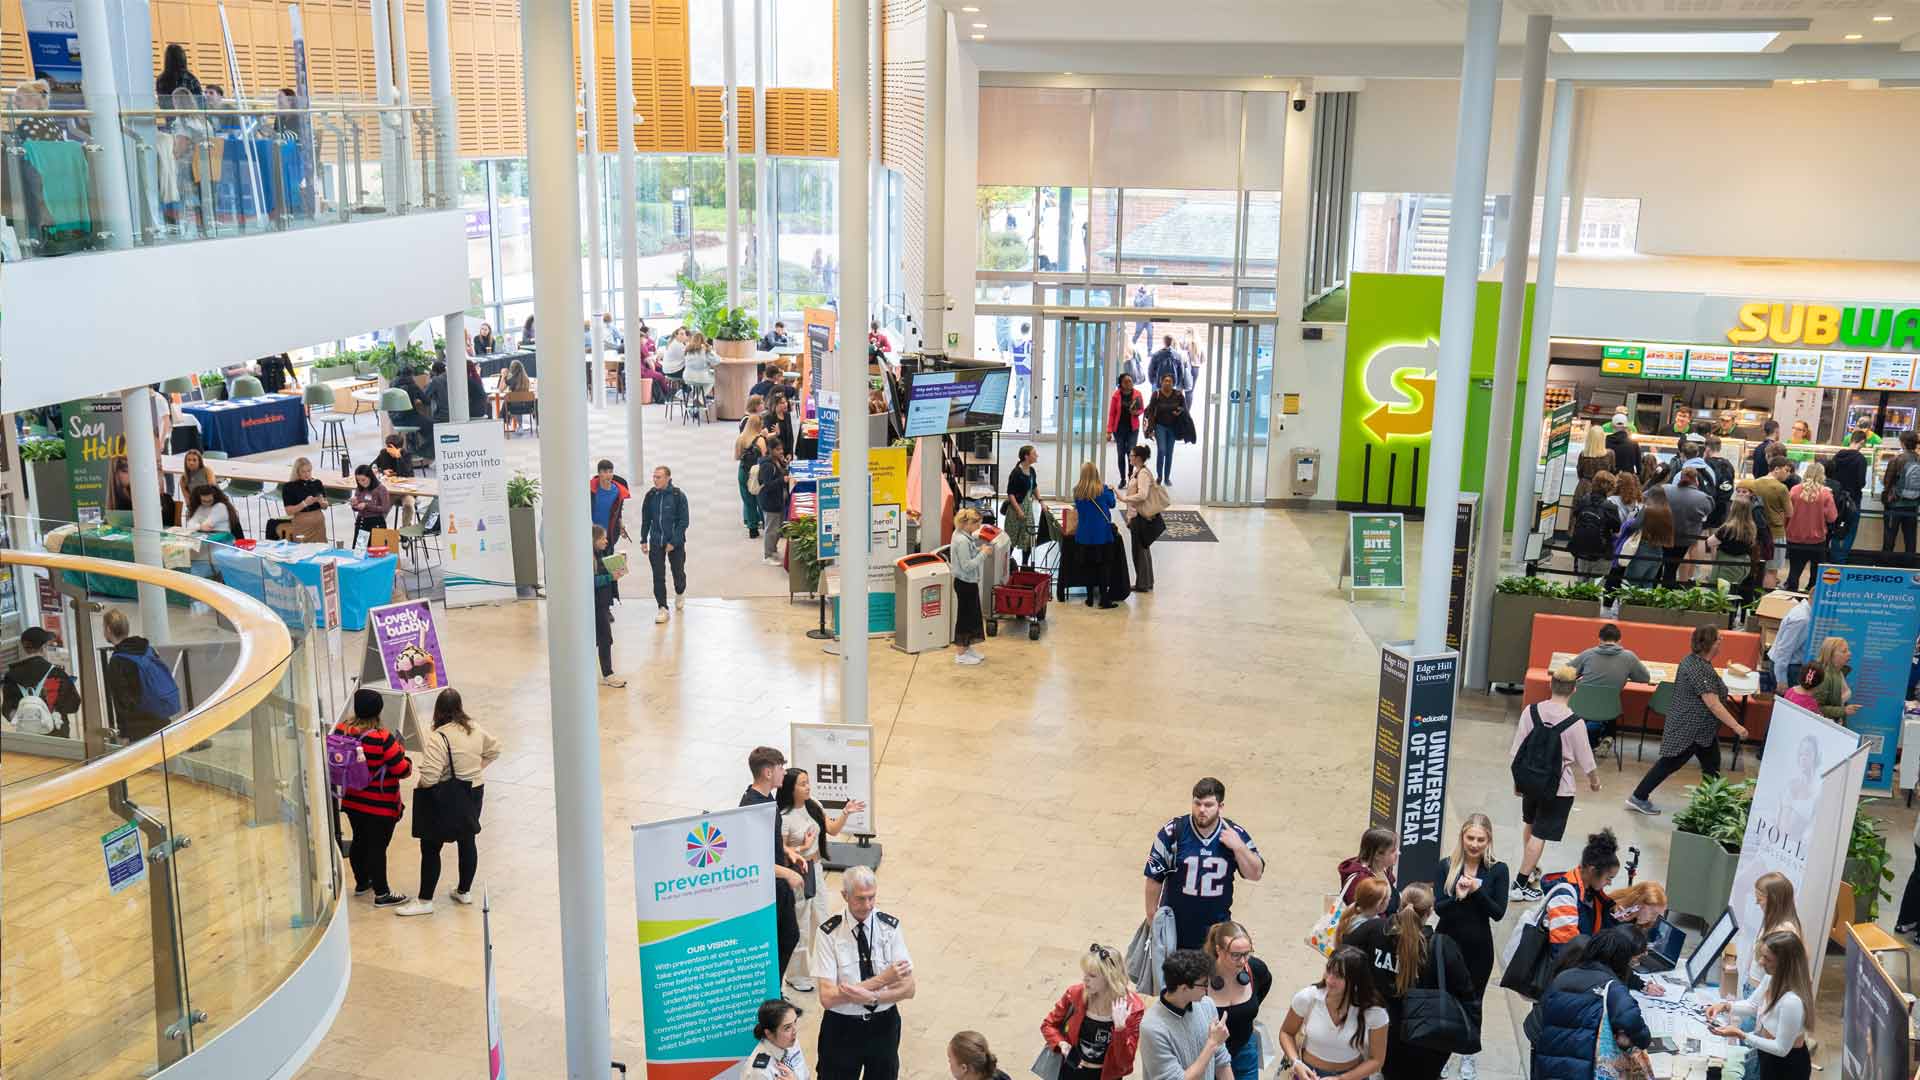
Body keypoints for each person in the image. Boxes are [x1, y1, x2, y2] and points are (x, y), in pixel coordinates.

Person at [1341, 884, 1476, 1080]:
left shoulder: (1375, 930)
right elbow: (1466, 992)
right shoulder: (1440, 947)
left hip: (1383, 1030)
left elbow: (1343, 956)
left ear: (1399, 906)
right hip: (1427, 1037)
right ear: (1429, 912)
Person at [395, 689, 500, 916]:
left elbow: (431, 776)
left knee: (431, 846)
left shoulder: (439, 736)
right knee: (467, 838)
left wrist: (423, 790)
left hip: (446, 795)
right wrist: (476, 769)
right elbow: (494, 749)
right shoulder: (474, 728)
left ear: (438, 710)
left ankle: (425, 901)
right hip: (474, 790)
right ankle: (464, 891)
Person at [1627, 625, 1748, 814]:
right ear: (1710, 645)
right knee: (1669, 764)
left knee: (1712, 765)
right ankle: (1638, 796)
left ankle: (1712, 803)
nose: (1721, 642)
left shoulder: (1691, 661)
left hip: (1701, 731)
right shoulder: (1700, 669)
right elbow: (1713, 703)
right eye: (1718, 639)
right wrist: (1736, 726)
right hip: (1690, 730)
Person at [812, 865, 914, 1080]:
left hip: (883, 1024)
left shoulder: (889, 928)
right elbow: (828, 999)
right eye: (860, 899)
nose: (867, 905)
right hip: (842, 1027)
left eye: (871, 897)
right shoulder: (829, 933)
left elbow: (908, 988)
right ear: (844, 896)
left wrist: (873, 997)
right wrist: (884, 979)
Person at [1509, 667, 1600, 899]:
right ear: (1574, 690)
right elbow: (1587, 761)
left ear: (1551, 685)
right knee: (1540, 833)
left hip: (1530, 780)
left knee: (1530, 823)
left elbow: (1517, 750)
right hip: (1558, 788)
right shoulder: (1575, 723)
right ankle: (1520, 883)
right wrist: (1595, 783)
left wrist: (1518, 782)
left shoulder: (1530, 711)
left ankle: (1529, 869)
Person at [1143, 777, 1265, 950]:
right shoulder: (1173, 832)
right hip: (1174, 930)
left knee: (1214, 977)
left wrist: (1239, 848)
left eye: (1208, 805)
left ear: (1220, 807)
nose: (1201, 810)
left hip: (1216, 934)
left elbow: (1255, 874)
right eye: (1197, 803)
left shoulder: (1234, 833)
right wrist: (1152, 919)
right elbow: (1154, 878)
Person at [778, 767, 866, 994]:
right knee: (802, 927)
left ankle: (826, 966)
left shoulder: (813, 804)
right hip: (798, 872)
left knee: (824, 920)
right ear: (791, 788)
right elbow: (781, 852)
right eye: (803, 784)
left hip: (816, 868)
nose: (808, 787)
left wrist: (846, 812)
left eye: (808, 782)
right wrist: (803, 847)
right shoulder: (784, 818)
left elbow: (833, 830)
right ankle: (796, 975)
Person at [1433, 815, 1508, 1080]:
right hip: (1446, 942)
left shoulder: (1498, 870)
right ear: (1462, 837)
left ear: (1488, 840)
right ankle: (1440, 1054)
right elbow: (1439, 908)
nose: (1474, 844)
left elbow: (1498, 912)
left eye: (1480, 839)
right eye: (1470, 838)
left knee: (1473, 1002)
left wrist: (1477, 891)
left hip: (1478, 948)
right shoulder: (1446, 865)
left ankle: (1468, 1055)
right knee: (1444, 997)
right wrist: (1459, 896)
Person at [1532, 927, 1652, 1080]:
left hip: (1549, 1064)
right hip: (1584, 1069)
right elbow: (1634, 1025)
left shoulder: (1564, 976)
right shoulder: (1612, 987)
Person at [333, 687, 414, 908]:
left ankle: (362, 883)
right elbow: (402, 770)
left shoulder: (342, 730)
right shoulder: (382, 738)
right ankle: (382, 893)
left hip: (352, 801)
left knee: (359, 840)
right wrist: (404, 756)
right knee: (378, 848)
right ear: (378, 711)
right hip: (380, 805)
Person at [739, 747, 809, 985]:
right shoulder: (753, 808)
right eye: (780, 767)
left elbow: (772, 840)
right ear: (768, 772)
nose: (784, 772)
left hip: (778, 883)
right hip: (766, 888)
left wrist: (789, 852)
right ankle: (771, 993)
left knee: (789, 936)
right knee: (780, 939)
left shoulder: (768, 800)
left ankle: (775, 991)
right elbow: (753, 859)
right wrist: (788, 873)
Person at [1707, 931, 1813, 1080]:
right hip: (1765, 1054)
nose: (1761, 962)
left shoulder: (1792, 1001)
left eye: (1767, 958)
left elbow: (1781, 1049)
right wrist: (1725, 1006)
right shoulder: (1771, 978)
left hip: (1785, 1068)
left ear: (1784, 963)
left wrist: (1741, 1034)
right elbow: (1752, 1005)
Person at [1277, 946, 1388, 1080]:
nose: (1329, 979)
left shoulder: (1373, 1012)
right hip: (1308, 1074)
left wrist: (1341, 1079)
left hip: (1352, 1075)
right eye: (1328, 970)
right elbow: (1286, 1032)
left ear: (1356, 980)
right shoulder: (1308, 998)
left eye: (1338, 976)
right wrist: (1296, 1063)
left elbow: (1377, 1060)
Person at [1042, 943, 1146, 1080]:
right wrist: (1061, 1043)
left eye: (1092, 975)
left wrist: (1120, 1030)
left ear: (1110, 978)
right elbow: (1048, 1025)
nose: (1085, 979)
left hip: (1105, 1075)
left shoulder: (1132, 1008)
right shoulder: (1075, 994)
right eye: (1085, 973)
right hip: (1072, 1070)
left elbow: (1124, 1062)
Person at [1137, 949, 1232, 1080]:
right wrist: (1212, 1043)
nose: (1208, 989)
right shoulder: (1152, 1028)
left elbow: (1221, 1059)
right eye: (1204, 984)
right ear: (1184, 988)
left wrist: (1215, 1044)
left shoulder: (1206, 1004)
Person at [1204, 922, 1273, 1080]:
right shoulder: (1200, 977)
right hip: (1209, 1054)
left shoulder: (1255, 968)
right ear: (1218, 950)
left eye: (1247, 953)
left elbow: (1264, 985)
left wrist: (1247, 1011)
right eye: (1235, 955)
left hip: (1245, 1051)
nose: (1242, 961)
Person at [1540, 830, 1625, 954]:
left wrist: (1615, 919)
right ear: (1592, 870)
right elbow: (1564, 951)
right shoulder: (1564, 898)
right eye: (1609, 878)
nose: (1609, 883)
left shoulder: (1591, 891)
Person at [1570, 623, 1651, 750]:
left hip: (1581, 705)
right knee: (1608, 699)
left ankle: (1599, 738)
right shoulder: (1629, 657)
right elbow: (1645, 678)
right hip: (1610, 708)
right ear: (1619, 640)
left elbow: (1567, 672)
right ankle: (1609, 736)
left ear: (1599, 639)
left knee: (1598, 698)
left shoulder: (1588, 654)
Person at [103, 609, 178, 742]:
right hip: (161, 719)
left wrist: (124, 734)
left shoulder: (118, 660)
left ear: (108, 629)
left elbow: (122, 701)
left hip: (139, 728)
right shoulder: (147, 648)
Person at [2, 626, 82, 737]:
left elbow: (7, 709)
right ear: (44, 647)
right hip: (57, 734)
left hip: (28, 735)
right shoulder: (56, 673)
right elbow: (73, 705)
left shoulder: (11, 676)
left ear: (24, 648)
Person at [639, 465, 690, 623]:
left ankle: (680, 592)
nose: (655, 480)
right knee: (658, 576)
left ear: (668, 478)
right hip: (656, 541)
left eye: (659, 477)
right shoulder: (650, 496)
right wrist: (643, 539)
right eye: (654, 476)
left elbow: (684, 522)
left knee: (678, 572)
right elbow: (646, 519)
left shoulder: (678, 496)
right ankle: (662, 607)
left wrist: (674, 542)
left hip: (675, 542)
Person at [1071, 462, 1123, 608]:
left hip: (1083, 535)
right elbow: (1112, 504)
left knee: (1088, 566)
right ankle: (1104, 599)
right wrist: (1111, 490)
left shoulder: (1077, 491)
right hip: (1102, 534)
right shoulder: (1104, 490)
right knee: (1104, 566)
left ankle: (1089, 598)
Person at [1782, 461, 1836, 591]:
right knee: (1816, 572)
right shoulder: (1825, 493)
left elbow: (1786, 513)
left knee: (1794, 569)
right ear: (1822, 476)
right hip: (1817, 539)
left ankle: (1791, 592)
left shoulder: (1794, 490)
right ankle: (1810, 594)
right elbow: (1832, 517)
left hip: (1795, 537)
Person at [586, 525, 627, 687]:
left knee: (604, 639)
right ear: (594, 541)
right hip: (596, 605)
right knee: (604, 639)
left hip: (601, 604)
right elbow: (590, 581)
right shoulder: (589, 559)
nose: (606, 541)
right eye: (602, 538)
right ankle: (608, 674)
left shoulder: (599, 555)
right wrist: (610, 577)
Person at [1119, 445, 1162, 593]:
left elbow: (1143, 495)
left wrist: (1125, 498)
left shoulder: (1142, 474)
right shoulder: (1138, 472)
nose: (1129, 457)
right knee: (1142, 549)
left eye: (1131, 455)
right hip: (1137, 516)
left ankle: (1142, 583)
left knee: (1139, 551)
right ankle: (1146, 581)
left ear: (1137, 458)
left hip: (1140, 517)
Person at [1660, 469, 1713, 586]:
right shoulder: (1703, 498)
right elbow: (1708, 511)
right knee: (1671, 567)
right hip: (1685, 539)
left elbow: (1644, 496)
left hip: (1664, 535)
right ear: (1697, 480)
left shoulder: (1665, 489)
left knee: (1665, 566)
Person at [949, 509, 988, 665]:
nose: (979, 525)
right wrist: (983, 554)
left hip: (968, 583)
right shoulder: (962, 540)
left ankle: (967, 647)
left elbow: (965, 556)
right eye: (977, 522)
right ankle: (960, 654)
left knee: (973, 616)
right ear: (967, 523)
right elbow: (967, 565)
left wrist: (978, 550)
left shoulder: (961, 535)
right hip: (965, 583)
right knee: (965, 618)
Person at [1827, 428, 1871, 565]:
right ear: (1862, 442)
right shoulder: (1860, 459)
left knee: (1833, 529)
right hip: (1852, 501)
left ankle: (1830, 559)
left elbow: (1830, 476)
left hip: (1836, 499)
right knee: (1848, 531)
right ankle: (1840, 561)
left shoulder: (1838, 455)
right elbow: (1861, 482)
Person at [1568, 472, 1622, 580]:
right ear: (1610, 488)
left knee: (1581, 584)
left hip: (1582, 549)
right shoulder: (1610, 507)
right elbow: (1616, 529)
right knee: (1596, 588)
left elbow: (1576, 514)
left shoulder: (1584, 500)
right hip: (1601, 552)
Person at [742, 999, 810, 1080]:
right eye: (787, 1027)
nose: (795, 1031)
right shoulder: (760, 1072)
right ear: (769, 1033)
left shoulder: (791, 1042)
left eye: (795, 1022)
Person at [1143, 374, 1192, 486]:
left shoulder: (1179, 395)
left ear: (1173, 383)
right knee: (1162, 450)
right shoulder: (1156, 394)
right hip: (1160, 426)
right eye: (1165, 380)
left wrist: (1179, 410)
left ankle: (1167, 478)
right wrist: (1150, 429)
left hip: (1173, 427)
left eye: (1170, 381)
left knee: (1169, 453)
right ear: (1161, 382)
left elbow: (1185, 409)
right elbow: (1150, 411)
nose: (1168, 383)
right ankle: (1159, 476)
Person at [266, 456, 328, 540]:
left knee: (321, 548)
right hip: (302, 523)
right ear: (297, 472)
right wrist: (304, 503)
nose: (307, 474)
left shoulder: (317, 483)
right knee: (303, 549)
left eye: (309, 471)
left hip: (319, 522)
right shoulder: (289, 487)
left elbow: (325, 506)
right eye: (303, 472)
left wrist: (322, 503)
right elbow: (289, 511)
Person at [1880, 429, 1920, 555]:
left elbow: (1887, 483)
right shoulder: (1918, 460)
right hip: (1913, 505)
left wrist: (1885, 498)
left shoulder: (1896, 460)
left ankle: (1886, 567)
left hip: (1895, 505)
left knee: (1889, 538)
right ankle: (1909, 569)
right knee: (1910, 540)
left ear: (1902, 443)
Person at [1337, 826, 1398, 907]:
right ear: (1377, 855)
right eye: (1393, 851)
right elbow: (1363, 915)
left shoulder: (1383, 869)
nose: (1398, 853)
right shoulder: (1360, 881)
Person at [1808, 636, 1863, 723]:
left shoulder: (1839, 672)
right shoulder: (1824, 676)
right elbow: (1815, 708)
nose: (1849, 653)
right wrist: (1843, 711)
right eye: (1844, 651)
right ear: (1830, 655)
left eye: (1848, 650)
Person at [1002, 445, 1040, 570]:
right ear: (1026, 456)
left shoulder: (1032, 470)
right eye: (1034, 454)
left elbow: (1034, 486)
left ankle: (1025, 565)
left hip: (1028, 508)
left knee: (1028, 537)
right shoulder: (1016, 473)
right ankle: (1005, 566)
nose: (1037, 455)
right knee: (1012, 537)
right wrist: (1018, 510)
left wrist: (1041, 501)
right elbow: (1010, 493)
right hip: (1016, 509)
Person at [736, 414, 771, 539]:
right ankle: (765, 524)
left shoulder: (741, 438)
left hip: (743, 471)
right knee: (760, 499)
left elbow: (737, 456)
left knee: (748, 501)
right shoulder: (760, 440)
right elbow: (765, 457)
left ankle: (752, 529)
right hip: (756, 473)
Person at [1767, 595, 1812, 691]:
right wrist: (1781, 679)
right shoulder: (1802, 619)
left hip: (1789, 667)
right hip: (1789, 669)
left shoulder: (1803, 611)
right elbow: (1784, 649)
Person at [758, 438, 791, 565]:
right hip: (770, 502)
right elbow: (768, 485)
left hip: (779, 500)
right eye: (778, 449)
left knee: (778, 528)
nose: (781, 451)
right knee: (771, 529)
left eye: (781, 448)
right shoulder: (767, 465)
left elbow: (782, 473)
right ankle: (767, 555)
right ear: (771, 450)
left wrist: (785, 463)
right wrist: (783, 480)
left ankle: (773, 550)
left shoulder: (777, 461)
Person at [1108, 374, 1145, 483]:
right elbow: (1111, 414)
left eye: (1130, 381)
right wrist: (1109, 431)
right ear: (1121, 384)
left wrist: (1136, 412)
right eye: (1126, 381)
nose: (1129, 383)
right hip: (1119, 429)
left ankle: (1130, 475)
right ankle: (1122, 478)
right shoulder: (1116, 395)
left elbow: (1142, 409)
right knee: (1120, 454)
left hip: (1133, 428)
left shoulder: (1138, 394)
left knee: (1131, 452)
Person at [349, 465, 392, 546]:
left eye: (363, 480)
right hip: (362, 522)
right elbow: (357, 508)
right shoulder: (359, 489)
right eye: (358, 480)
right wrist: (354, 505)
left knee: (378, 553)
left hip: (376, 524)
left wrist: (367, 506)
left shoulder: (381, 489)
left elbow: (385, 508)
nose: (361, 483)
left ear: (370, 477)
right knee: (360, 552)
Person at [590, 459, 630, 543]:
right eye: (605, 472)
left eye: (610, 471)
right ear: (599, 473)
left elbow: (618, 511)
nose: (608, 475)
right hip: (593, 535)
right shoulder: (591, 490)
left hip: (609, 535)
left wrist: (621, 525)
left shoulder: (618, 492)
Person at [1605, 412, 1641, 479]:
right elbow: (1639, 467)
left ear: (1612, 425)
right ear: (1626, 426)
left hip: (1608, 481)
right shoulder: (1634, 444)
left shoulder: (1605, 441)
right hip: (1627, 481)